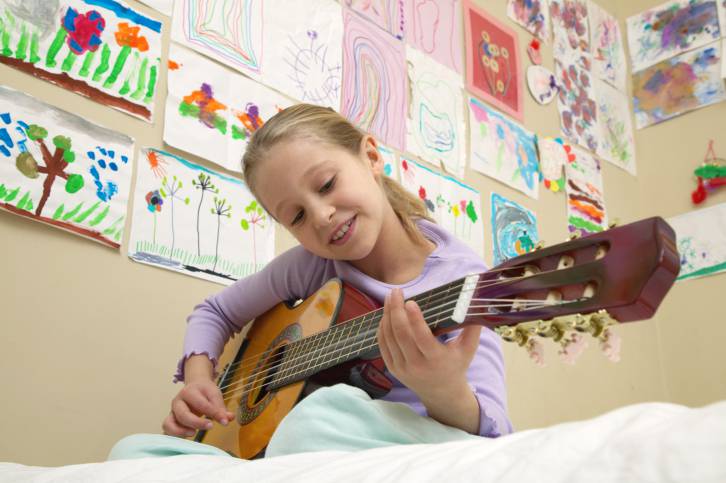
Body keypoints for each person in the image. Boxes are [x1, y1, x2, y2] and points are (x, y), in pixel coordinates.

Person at [160, 104, 513, 454]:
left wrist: (443, 390)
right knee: (138, 449)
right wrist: (199, 380)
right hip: (310, 441)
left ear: (371, 157)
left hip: (405, 445)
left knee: (310, 423)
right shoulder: (311, 265)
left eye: (327, 184)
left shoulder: (464, 280)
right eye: (297, 216)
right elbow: (215, 312)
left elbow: (492, 434)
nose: (321, 215)